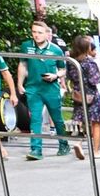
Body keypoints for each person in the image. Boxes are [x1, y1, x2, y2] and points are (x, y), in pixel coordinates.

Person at [17, 20, 69, 160]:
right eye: (34, 32)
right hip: (33, 88)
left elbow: (63, 69)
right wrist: (20, 83)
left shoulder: (56, 49)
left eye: (39, 32)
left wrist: (55, 76)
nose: (36, 35)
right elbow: (22, 65)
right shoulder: (26, 46)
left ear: (47, 34)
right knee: (35, 118)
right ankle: (36, 150)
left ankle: (63, 143)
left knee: (57, 119)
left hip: (51, 89)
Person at [67, 35, 100, 159]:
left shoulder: (71, 61)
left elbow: (70, 77)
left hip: (79, 94)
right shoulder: (89, 63)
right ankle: (96, 151)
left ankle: (78, 142)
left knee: (80, 120)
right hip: (91, 95)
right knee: (96, 123)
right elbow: (95, 79)